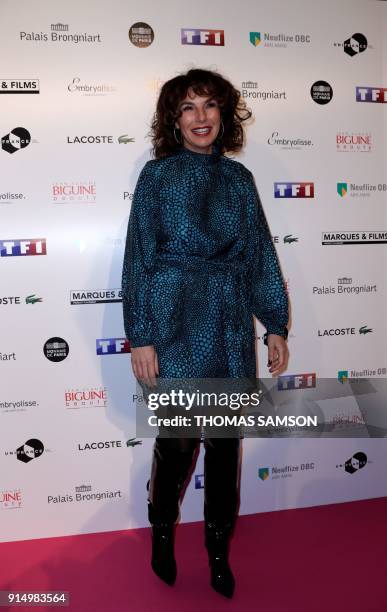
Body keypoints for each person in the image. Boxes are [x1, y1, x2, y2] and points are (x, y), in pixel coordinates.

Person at [121, 67, 289, 599]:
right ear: (174, 118)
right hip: (173, 319)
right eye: (189, 107)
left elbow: (261, 254)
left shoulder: (241, 181)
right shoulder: (157, 177)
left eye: (210, 106)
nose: (201, 117)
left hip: (229, 320)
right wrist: (141, 335)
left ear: (224, 116)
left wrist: (275, 324)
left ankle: (218, 550)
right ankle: (163, 533)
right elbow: (138, 260)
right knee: (176, 443)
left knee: (224, 444)